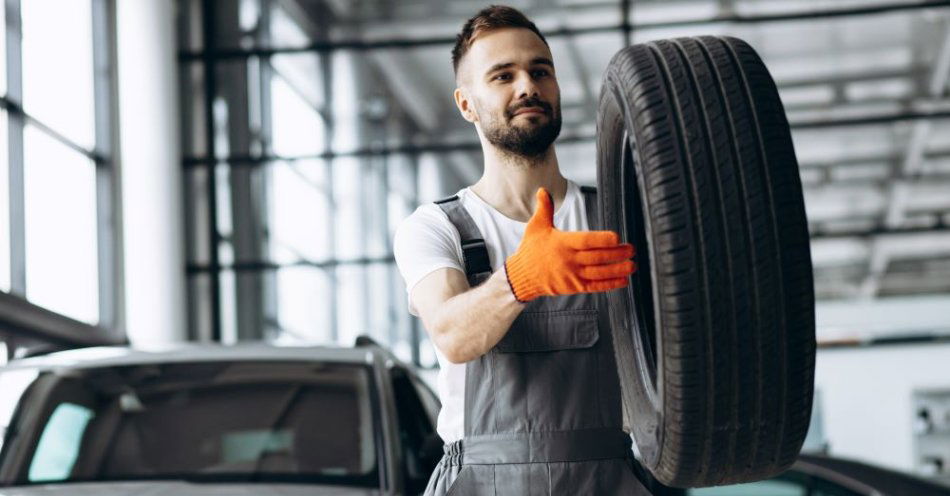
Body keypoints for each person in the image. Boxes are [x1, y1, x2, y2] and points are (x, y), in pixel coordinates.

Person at [393, 5, 650, 495]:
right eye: (502, 76)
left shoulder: (619, 217)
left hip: (609, 478)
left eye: (540, 71)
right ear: (466, 104)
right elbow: (451, 334)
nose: (527, 86)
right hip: (480, 484)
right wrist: (520, 279)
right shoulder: (434, 227)